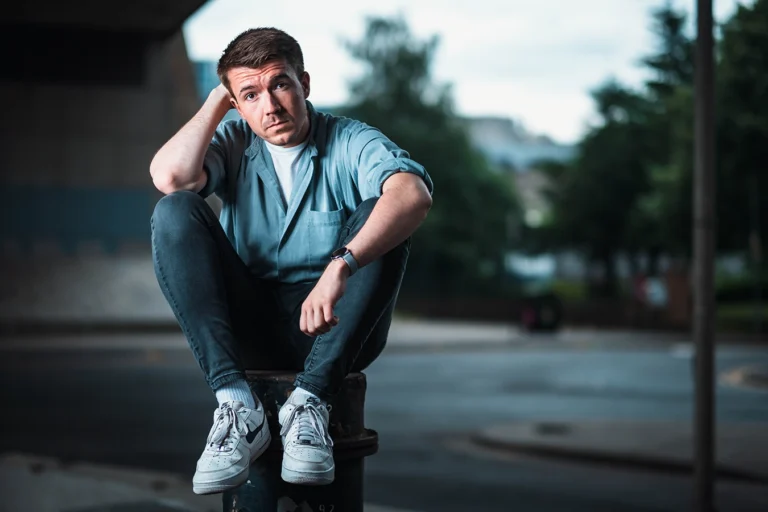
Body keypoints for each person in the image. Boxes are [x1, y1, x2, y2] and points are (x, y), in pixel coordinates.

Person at [148, 27, 433, 495]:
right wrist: (220, 101)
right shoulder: (235, 140)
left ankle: (310, 403)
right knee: (175, 209)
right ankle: (236, 405)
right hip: (251, 331)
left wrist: (340, 264)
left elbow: (413, 195)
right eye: (251, 94)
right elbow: (171, 177)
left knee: (381, 215)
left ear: (304, 83)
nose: (271, 106)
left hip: (335, 330)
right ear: (236, 104)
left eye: (280, 84)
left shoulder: (348, 139)